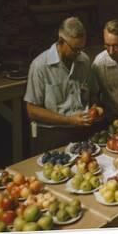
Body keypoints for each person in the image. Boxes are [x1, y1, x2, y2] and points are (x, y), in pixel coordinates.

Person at [24, 16, 100, 155]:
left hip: (81, 131)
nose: (79, 54)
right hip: (52, 133)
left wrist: (94, 109)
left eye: (82, 48)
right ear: (61, 41)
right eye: (75, 49)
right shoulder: (40, 65)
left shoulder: (84, 60)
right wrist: (69, 120)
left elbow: (93, 93)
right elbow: (32, 110)